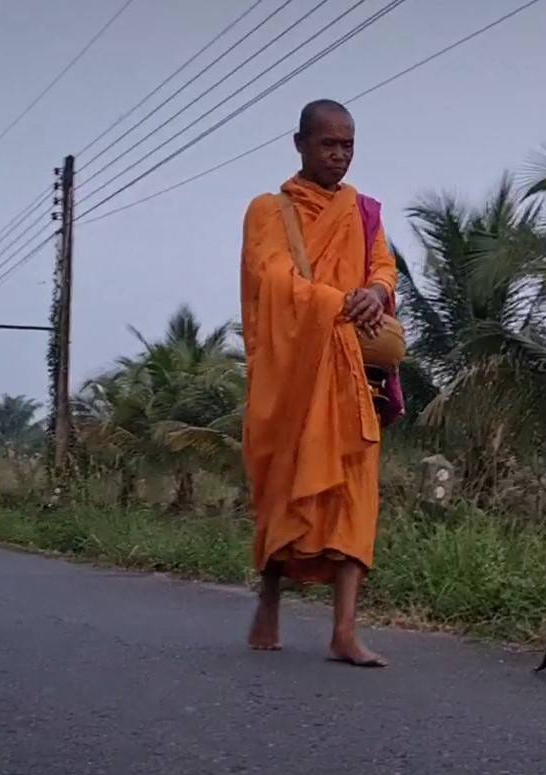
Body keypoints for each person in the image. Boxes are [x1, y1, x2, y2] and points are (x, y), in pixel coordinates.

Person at [238, 98, 395, 668]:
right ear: (299, 143)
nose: (339, 155)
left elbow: (383, 268)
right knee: (288, 492)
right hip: (294, 380)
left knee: (355, 497)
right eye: (329, 143)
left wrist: (375, 294)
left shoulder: (364, 212)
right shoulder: (268, 211)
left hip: (351, 379)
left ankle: (345, 631)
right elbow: (272, 280)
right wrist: (339, 302)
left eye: (348, 145)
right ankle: (270, 601)